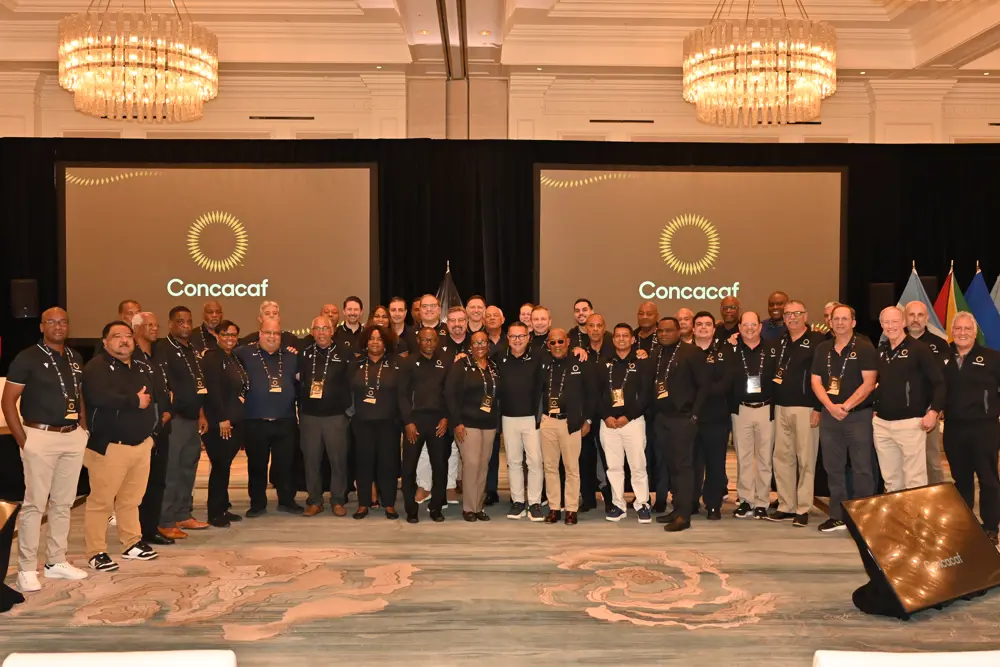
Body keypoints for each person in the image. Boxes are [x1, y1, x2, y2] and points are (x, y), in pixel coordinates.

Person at [2, 308, 89, 592]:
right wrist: (23, 440)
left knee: (63, 503)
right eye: (51, 321)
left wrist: (83, 430)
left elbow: (79, 395)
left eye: (63, 321)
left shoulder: (75, 357)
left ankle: (56, 561)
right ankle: (27, 568)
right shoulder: (27, 357)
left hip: (71, 436)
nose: (58, 326)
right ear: (42, 327)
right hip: (39, 436)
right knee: (34, 505)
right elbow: (8, 402)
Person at [81, 321, 161, 572]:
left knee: (131, 499)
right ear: (105, 342)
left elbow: (155, 398)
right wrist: (133, 400)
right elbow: (98, 397)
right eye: (117, 336)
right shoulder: (96, 367)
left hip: (140, 445)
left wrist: (152, 434)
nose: (124, 340)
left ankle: (132, 543)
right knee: (101, 502)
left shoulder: (139, 366)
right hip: (110, 446)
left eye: (128, 336)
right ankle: (96, 551)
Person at [810, 304, 878, 533]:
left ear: (853, 322)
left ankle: (864, 517)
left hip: (858, 416)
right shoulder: (822, 348)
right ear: (829, 322)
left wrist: (846, 407)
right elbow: (816, 381)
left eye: (844, 319)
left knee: (862, 468)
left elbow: (869, 383)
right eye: (835, 319)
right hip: (831, 417)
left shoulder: (865, 348)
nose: (839, 323)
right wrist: (830, 406)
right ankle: (837, 515)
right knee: (833, 467)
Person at [942, 312, 1000, 546]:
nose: (962, 333)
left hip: (984, 428)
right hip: (954, 429)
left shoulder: (992, 358)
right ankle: (966, 525)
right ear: (952, 331)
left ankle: (991, 526)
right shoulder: (943, 357)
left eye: (967, 329)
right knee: (961, 480)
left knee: (988, 479)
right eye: (958, 329)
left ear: (975, 333)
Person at [872, 306, 944, 493]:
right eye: (886, 322)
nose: (891, 326)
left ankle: (917, 522)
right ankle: (898, 521)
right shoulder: (880, 351)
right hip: (882, 424)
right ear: (881, 325)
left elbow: (939, 383)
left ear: (903, 323)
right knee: (891, 479)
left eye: (895, 321)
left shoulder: (920, 349)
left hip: (910, 423)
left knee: (915, 480)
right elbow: (876, 384)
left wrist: (933, 411)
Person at [235, 319, 302, 517]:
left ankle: (287, 501)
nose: (272, 337)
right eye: (268, 332)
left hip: (285, 419)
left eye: (276, 333)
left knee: (285, 464)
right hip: (255, 420)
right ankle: (257, 504)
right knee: (257, 465)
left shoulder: (292, 356)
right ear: (260, 333)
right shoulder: (243, 354)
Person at [767, 301, 825, 527]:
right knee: (782, 457)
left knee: (806, 459)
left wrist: (818, 408)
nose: (791, 317)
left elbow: (823, 377)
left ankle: (803, 507)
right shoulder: (778, 341)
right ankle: (786, 504)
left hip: (806, 408)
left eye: (796, 313)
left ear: (805, 315)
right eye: (788, 314)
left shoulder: (818, 342)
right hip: (780, 406)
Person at [156, 306, 210, 540]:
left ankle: (183, 513)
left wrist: (201, 414)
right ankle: (165, 520)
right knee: (172, 471)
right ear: (171, 324)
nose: (185, 325)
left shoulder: (193, 350)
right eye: (180, 321)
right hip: (175, 420)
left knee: (189, 468)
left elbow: (198, 386)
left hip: (192, 419)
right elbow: (161, 384)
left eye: (188, 321)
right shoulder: (163, 348)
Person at [651, 317, 705, 532]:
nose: (664, 334)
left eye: (668, 330)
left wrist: (695, 416)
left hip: (683, 418)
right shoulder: (656, 354)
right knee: (671, 465)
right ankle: (676, 508)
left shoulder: (691, 353)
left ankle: (684, 514)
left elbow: (704, 386)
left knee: (683, 467)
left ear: (679, 331)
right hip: (663, 418)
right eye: (661, 331)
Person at [540, 329, 596, 525]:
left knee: (572, 468)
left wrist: (588, 420)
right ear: (548, 344)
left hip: (570, 423)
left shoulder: (580, 362)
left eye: (560, 341)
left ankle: (571, 509)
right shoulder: (544, 364)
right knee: (550, 467)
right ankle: (554, 507)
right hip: (548, 421)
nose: (556, 345)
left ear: (568, 342)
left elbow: (592, 394)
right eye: (552, 342)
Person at [298, 316, 352, 517]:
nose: (321, 332)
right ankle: (315, 501)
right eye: (317, 328)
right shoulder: (304, 353)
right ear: (312, 331)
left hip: (336, 416)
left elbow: (352, 383)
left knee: (338, 460)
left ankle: (338, 500)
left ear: (332, 331)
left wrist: (348, 412)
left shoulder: (345, 353)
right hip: (310, 416)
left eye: (325, 328)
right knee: (311, 460)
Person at [599, 323, 652, 524]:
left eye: (625, 336)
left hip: (633, 422)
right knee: (613, 467)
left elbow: (646, 395)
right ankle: (618, 505)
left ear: (632, 340)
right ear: (613, 340)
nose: (621, 339)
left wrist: (628, 417)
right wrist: (606, 416)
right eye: (617, 336)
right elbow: (596, 394)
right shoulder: (603, 364)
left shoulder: (641, 364)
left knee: (638, 465)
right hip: (609, 424)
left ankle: (642, 503)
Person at [349, 324, 403, 519]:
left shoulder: (396, 364)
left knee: (387, 464)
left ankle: (389, 504)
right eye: (371, 338)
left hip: (389, 423)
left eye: (379, 339)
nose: (375, 342)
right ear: (366, 342)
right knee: (363, 463)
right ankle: (363, 504)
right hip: (362, 423)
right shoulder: (356, 364)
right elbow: (348, 392)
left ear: (386, 343)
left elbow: (403, 394)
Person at [131, 312, 175, 546]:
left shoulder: (156, 356)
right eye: (149, 325)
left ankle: (151, 529)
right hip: (142, 429)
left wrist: (168, 411)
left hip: (162, 427)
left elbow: (164, 391)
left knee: (158, 481)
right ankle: (135, 534)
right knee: (140, 485)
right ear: (136, 329)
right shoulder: (131, 357)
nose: (155, 329)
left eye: (156, 325)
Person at [399, 327, 450, 523]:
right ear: (418, 341)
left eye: (432, 340)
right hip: (415, 423)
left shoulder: (445, 362)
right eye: (424, 340)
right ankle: (411, 510)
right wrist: (408, 421)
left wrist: (446, 418)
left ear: (437, 341)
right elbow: (402, 395)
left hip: (438, 422)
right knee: (408, 468)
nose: (428, 343)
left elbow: (449, 393)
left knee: (440, 466)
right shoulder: (408, 362)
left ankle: (436, 508)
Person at [447, 331, 499, 522]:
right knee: (471, 464)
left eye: (483, 342)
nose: (480, 346)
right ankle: (468, 507)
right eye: (476, 343)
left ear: (488, 345)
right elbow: (450, 394)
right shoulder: (461, 365)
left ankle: (479, 506)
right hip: (467, 422)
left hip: (489, 423)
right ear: (470, 346)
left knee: (483, 465)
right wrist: (457, 422)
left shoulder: (493, 367)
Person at [201, 320, 248, 528]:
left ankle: (222, 507)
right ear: (217, 336)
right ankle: (214, 513)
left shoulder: (233, 357)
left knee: (225, 467)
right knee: (219, 466)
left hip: (234, 419)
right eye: (226, 334)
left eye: (233, 335)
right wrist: (222, 418)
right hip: (221, 422)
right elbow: (212, 391)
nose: (230, 338)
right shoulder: (212, 358)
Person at [729, 311, 776, 520]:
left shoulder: (772, 349)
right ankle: (745, 500)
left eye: (753, 324)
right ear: (739, 328)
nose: (749, 328)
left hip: (766, 409)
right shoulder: (731, 350)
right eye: (745, 325)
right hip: (741, 410)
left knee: (765, 458)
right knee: (744, 458)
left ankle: (762, 502)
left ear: (760, 326)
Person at [498, 321, 546, 521]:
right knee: (513, 461)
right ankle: (518, 501)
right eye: (513, 336)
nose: (517, 340)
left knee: (535, 461)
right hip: (508, 417)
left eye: (521, 336)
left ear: (528, 337)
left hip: (531, 418)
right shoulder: (499, 356)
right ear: (508, 338)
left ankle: (534, 503)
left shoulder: (539, 356)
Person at [691, 311, 731, 521]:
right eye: (699, 324)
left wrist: (702, 390)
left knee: (716, 464)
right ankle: (691, 502)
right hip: (691, 419)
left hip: (716, 417)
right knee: (692, 463)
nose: (703, 327)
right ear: (693, 328)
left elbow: (725, 384)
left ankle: (713, 504)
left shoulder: (724, 352)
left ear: (714, 329)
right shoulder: (686, 353)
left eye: (708, 324)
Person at [904, 300, 948, 484]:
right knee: (904, 462)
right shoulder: (893, 342)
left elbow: (945, 379)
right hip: (899, 414)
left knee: (932, 461)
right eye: (911, 315)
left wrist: (938, 407)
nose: (915, 319)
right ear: (905, 318)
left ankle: (938, 503)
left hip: (928, 412)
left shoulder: (940, 344)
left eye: (920, 315)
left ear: (927, 318)